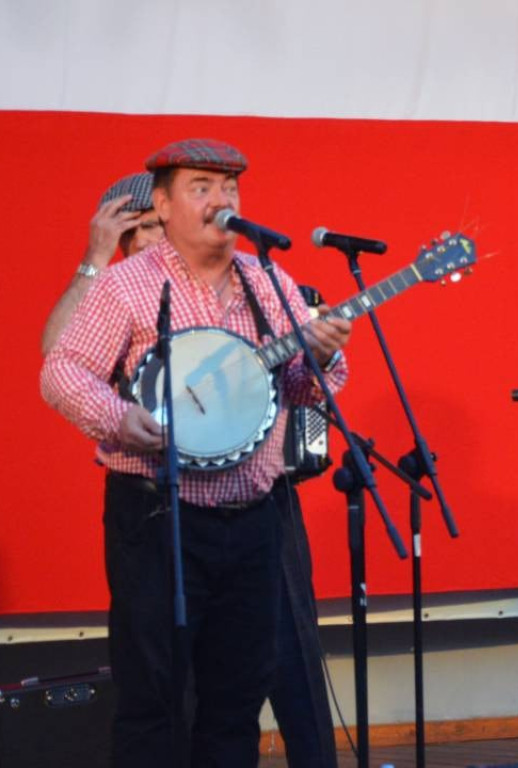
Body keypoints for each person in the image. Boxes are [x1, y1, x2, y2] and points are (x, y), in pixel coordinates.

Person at [41, 138, 352, 768]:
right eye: (202, 187)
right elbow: (62, 371)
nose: (220, 200)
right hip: (158, 518)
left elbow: (301, 389)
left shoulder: (269, 281)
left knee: (236, 701)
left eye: (229, 187)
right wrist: (117, 418)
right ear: (164, 205)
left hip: (255, 522)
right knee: (154, 700)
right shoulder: (128, 285)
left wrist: (320, 356)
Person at [41, 172, 163, 355]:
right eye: (127, 232)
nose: (139, 242)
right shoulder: (118, 291)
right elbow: (56, 352)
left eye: (150, 226)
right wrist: (96, 256)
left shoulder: (205, 278)